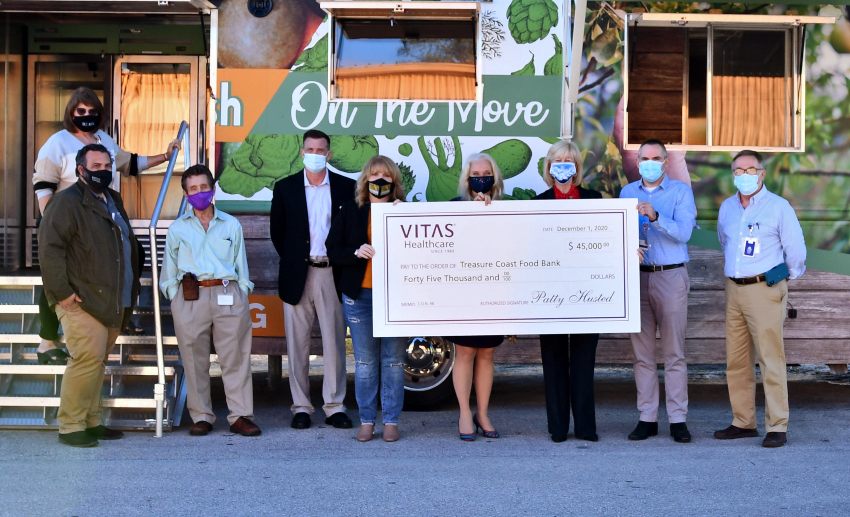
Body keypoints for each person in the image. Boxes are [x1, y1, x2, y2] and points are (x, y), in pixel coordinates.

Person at [32, 86, 178, 365]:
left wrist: (165, 156)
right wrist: (49, 219)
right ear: (71, 113)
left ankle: (120, 314)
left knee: (135, 254)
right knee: (57, 273)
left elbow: (130, 163)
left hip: (102, 220)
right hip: (68, 219)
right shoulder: (58, 142)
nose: (86, 116)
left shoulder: (104, 141)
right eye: (80, 111)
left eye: (91, 111)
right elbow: (43, 184)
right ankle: (47, 339)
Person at [38, 143, 140, 447]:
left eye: (107, 166)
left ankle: (92, 421)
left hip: (110, 298)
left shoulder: (112, 199)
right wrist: (63, 294)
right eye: (96, 167)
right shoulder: (66, 203)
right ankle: (70, 426)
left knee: (96, 362)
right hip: (80, 298)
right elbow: (50, 250)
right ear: (80, 170)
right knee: (85, 360)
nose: (103, 171)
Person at [159, 165, 260, 437]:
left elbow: (241, 262)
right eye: (193, 189)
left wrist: (243, 291)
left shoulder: (231, 224)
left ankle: (240, 416)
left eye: (204, 187)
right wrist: (173, 295)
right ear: (185, 194)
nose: (199, 193)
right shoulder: (178, 229)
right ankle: (202, 415)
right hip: (191, 295)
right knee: (194, 359)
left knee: (236, 358)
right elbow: (168, 267)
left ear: (212, 189)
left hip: (228, 293)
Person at [714, 150, 806, 448]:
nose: (744, 175)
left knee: (770, 358)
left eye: (750, 169)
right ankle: (743, 421)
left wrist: (781, 278)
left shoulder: (778, 207)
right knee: (737, 360)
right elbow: (724, 241)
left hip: (764, 289)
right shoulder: (727, 208)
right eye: (738, 171)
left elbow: (796, 251)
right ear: (733, 175)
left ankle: (777, 424)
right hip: (734, 289)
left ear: (762, 173)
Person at [269, 129, 356, 430]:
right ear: (302, 152)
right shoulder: (285, 188)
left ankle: (334, 405)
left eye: (321, 150)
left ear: (329, 154)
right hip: (298, 274)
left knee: (334, 341)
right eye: (311, 149)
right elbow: (277, 233)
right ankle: (301, 406)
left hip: (333, 273)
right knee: (297, 343)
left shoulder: (347, 188)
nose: (316, 154)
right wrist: (296, 260)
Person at [619, 139, 697, 443]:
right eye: (644, 158)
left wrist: (656, 218)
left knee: (674, 353)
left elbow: (685, 233)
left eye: (655, 158)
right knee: (642, 354)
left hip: (670, 276)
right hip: (637, 278)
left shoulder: (680, 192)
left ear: (665, 162)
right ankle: (647, 417)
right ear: (637, 161)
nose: (649, 162)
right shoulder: (627, 193)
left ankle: (678, 419)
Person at [326, 156, 407, 442]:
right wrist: (354, 252)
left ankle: (392, 420)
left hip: (395, 297)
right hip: (359, 295)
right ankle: (367, 420)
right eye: (374, 175)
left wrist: (403, 217)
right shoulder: (351, 210)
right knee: (365, 362)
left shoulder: (405, 212)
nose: (380, 180)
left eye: (385, 175)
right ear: (365, 180)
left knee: (394, 361)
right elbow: (332, 249)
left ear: (394, 181)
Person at [534, 140, 602, 443]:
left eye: (569, 160)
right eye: (557, 160)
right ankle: (558, 427)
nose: (563, 165)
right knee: (554, 361)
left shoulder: (594, 198)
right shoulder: (538, 202)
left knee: (585, 362)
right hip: (549, 296)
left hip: (588, 293)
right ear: (549, 168)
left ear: (576, 167)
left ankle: (586, 427)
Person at [448, 153, 506, 441]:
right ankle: (463, 412)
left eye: (486, 172)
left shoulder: (506, 210)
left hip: (494, 292)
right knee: (465, 352)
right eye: (475, 173)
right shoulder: (454, 207)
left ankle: (483, 412)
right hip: (462, 292)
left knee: (487, 353)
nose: (480, 177)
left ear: (494, 176)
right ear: (467, 178)